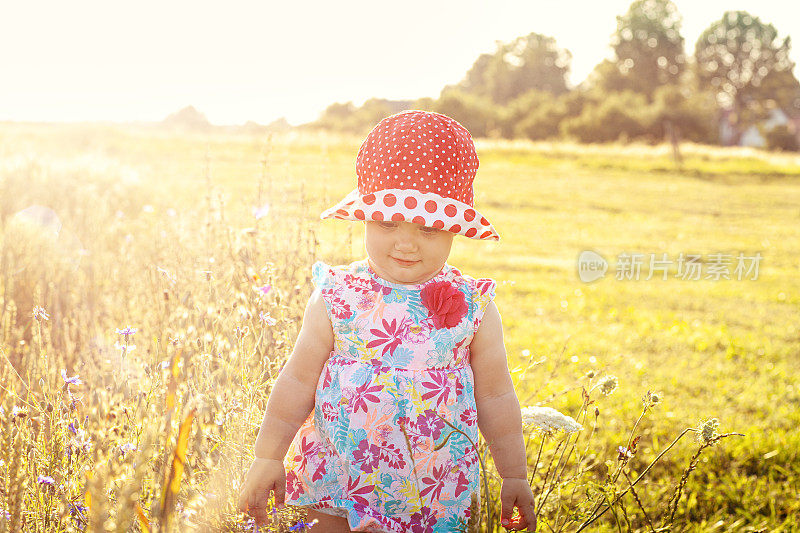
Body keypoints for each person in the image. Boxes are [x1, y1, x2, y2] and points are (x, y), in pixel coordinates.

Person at [238, 110, 536, 532]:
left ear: (454, 228)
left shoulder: (473, 306)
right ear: (364, 217)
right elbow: (297, 380)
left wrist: (514, 474)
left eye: (428, 229)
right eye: (386, 221)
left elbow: (496, 398)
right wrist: (268, 456)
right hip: (339, 480)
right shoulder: (338, 294)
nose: (406, 242)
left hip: (434, 491)